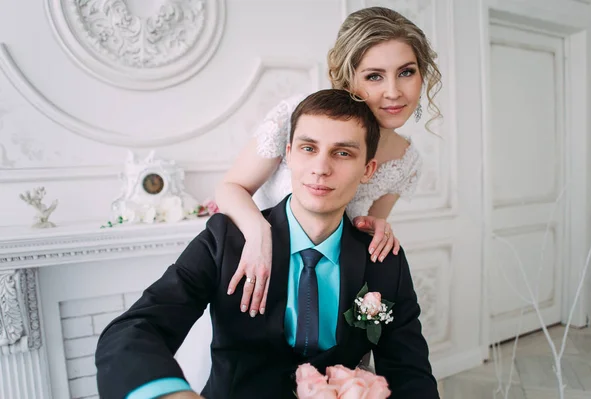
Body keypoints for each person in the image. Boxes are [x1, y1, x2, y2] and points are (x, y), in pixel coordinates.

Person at [95, 89, 439, 399]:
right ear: (288, 155)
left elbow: (410, 372)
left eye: (343, 153)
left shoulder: (383, 259)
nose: (320, 168)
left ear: (368, 169)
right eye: (308, 148)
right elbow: (134, 330)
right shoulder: (225, 241)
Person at [216, 6, 442, 318]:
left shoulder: (406, 160)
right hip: (256, 266)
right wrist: (258, 235)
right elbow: (230, 188)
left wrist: (375, 226)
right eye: (374, 76)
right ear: (349, 79)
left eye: (406, 72)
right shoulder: (300, 116)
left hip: (326, 287)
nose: (394, 92)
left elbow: (359, 238)